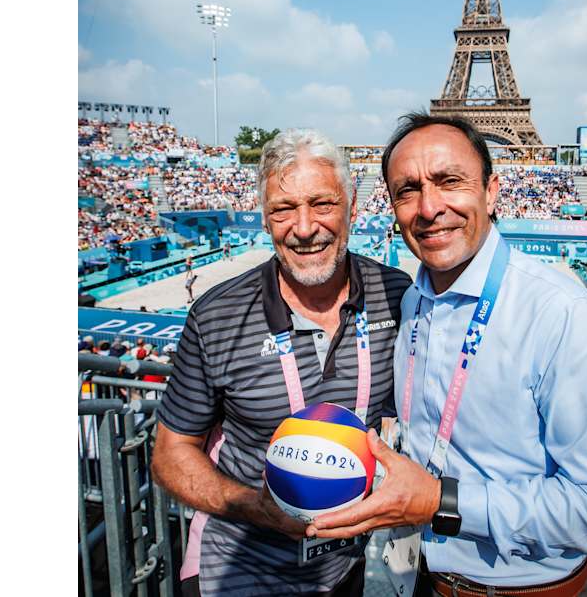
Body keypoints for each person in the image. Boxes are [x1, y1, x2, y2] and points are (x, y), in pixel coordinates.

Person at [309, 113, 587, 597]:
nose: (428, 207)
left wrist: (441, 502)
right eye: (407, 190)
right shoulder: (411, 302)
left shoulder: (558, 312)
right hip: (418, 579)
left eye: (450, 181)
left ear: (491, 190)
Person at [151, 129, 412, 597]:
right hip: (241, 572)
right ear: (264, 217)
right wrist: (252, 505)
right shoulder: (216, 316)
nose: (305, 227)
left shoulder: (397, 295)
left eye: (322, 204)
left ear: (353, 203)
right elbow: (171, 454)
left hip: (345, 572)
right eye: (283, 209)